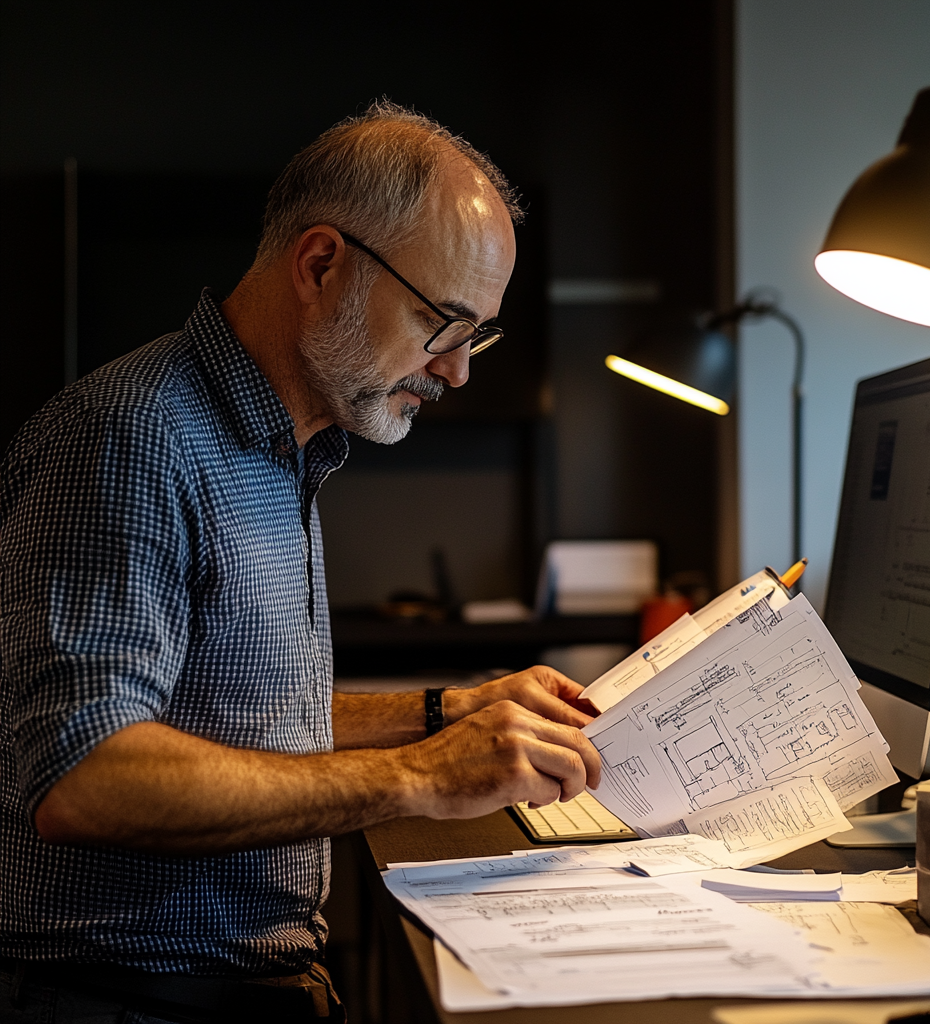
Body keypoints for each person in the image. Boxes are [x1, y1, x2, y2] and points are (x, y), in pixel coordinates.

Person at [0, 101, 601, 1022]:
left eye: (477, 334)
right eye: (442, 321)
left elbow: (234, 706)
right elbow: (86, 776)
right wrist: (428, 774)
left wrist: (444, 710)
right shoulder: (129, 439)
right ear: (321, 264)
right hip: (129, 999)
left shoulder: (285, 446)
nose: (457, 371)